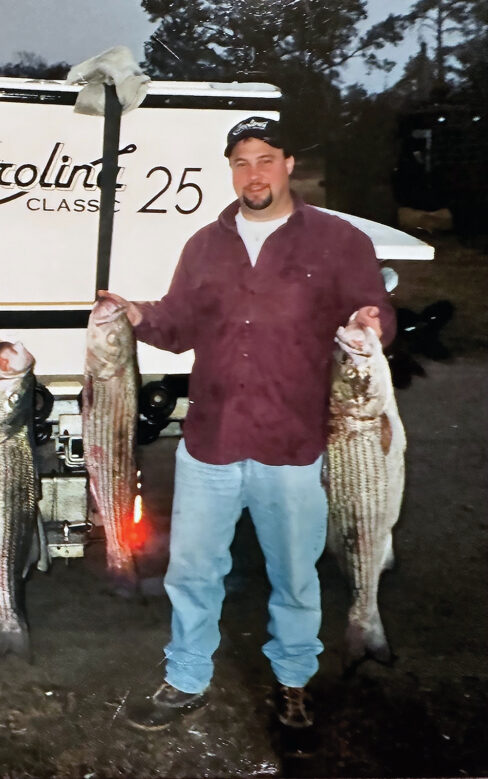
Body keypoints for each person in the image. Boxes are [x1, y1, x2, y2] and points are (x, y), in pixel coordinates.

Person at [103, 116, 396, 732]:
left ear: (289, 163)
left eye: (265, 158)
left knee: (294, 574)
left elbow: (377, 314)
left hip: (296, 445)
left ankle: (294, 678)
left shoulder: (338, 240)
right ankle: (185, 675)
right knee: (191, 571)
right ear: (230, 169)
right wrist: (137, 314)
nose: (253, 173)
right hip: (210, 440)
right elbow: (178, 324)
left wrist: (372, 321)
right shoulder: (205, 244)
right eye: (241, 161)